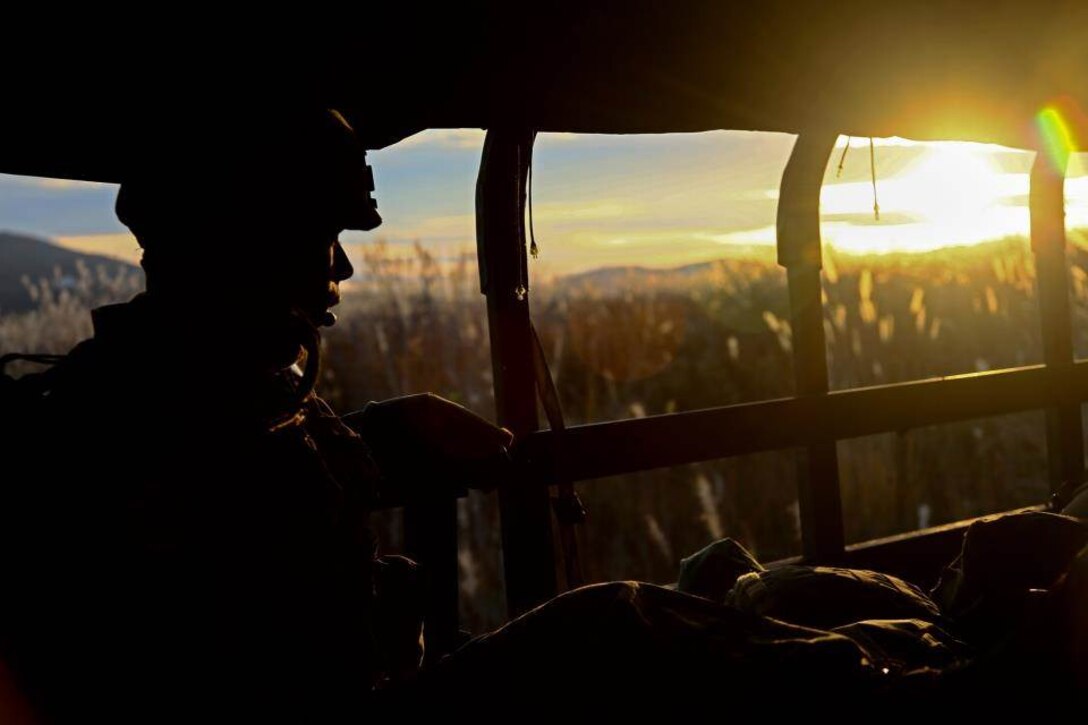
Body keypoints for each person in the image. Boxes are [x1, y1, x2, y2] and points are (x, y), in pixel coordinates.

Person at [0, 107, 512, 723]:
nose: (342, 269)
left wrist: (392, 425)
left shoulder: (184, 395)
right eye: (327, 238)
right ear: (249, 244)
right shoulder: (134, 442)